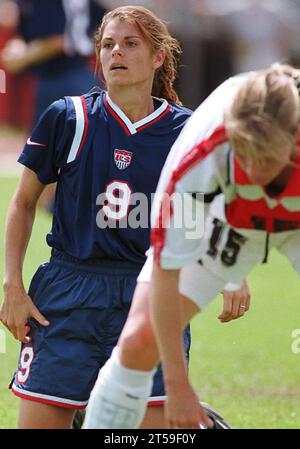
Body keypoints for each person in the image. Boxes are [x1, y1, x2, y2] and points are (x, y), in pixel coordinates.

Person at [0, 5, 194, 430]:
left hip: (147, 294)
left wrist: (234, 277)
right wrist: (12, 284)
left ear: (158, 56)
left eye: (129, 44)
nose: (116, 53)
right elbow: (23, 202)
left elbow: (210, 208)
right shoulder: (68, 117)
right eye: (107, 45)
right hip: (69, 292)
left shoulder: (187, 131)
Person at [83, 62, 300, 429]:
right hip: (228, 217)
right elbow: (167, 271)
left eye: (266, 158)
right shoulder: (199, 151)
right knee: (138, 341)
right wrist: (176, 385)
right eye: (245, 154)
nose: (255, 170)